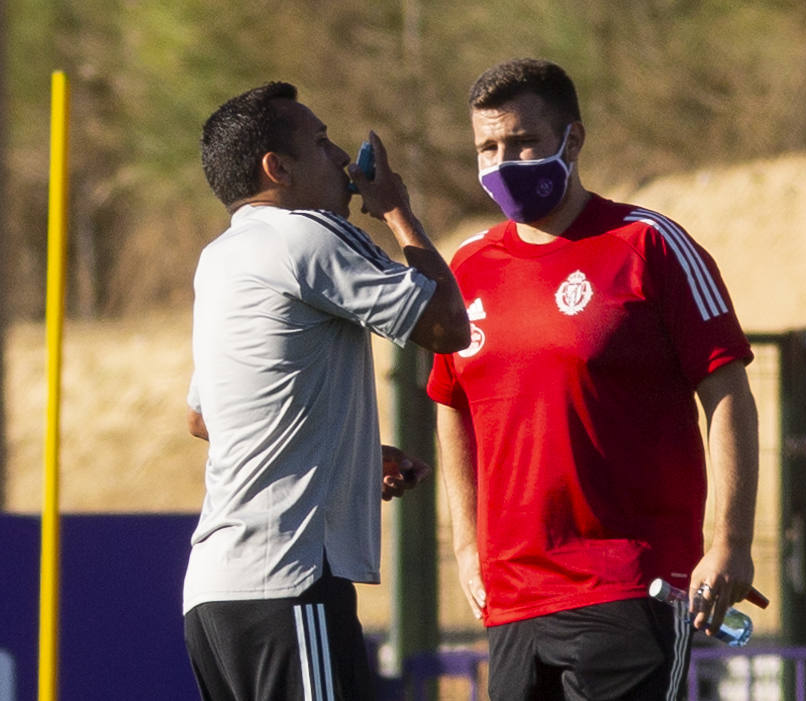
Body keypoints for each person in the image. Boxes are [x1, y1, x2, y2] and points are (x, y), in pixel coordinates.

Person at [427, 58, 759, 700]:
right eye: (487, 148)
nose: (503, 162)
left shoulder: (650, 245)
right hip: (514, 598)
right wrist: (468, 546)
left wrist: (732, 541)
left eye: (523, 142)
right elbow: (451, 404)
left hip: (629, 582)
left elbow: (727, 392)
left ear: (572, 141)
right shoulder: (468, 268)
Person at [182, 81, 469, 701]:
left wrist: (351, 458)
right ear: (276, 168)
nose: (342, 158)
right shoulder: (305, 233)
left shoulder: (220, 259)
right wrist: (396, 210)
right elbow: (448, 326)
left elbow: (205, 419)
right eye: (320, 141)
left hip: (215, 598)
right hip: (288, 581)